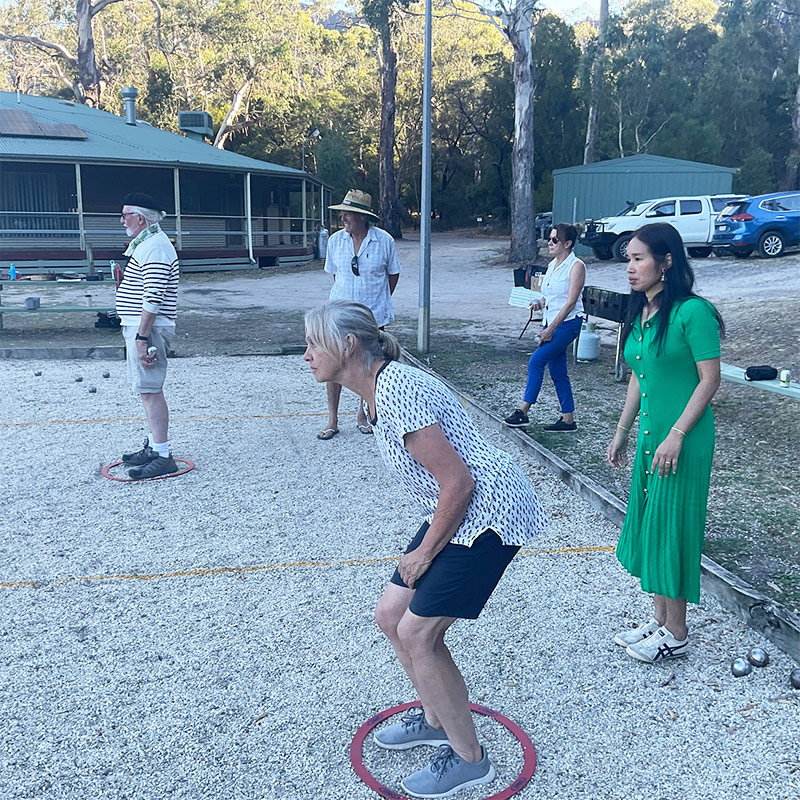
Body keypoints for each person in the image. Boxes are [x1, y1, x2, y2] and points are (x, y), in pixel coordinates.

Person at [303, 300, 548, 799]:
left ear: (347, 345)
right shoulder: (377, 389)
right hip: (459, 506)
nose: (306, 355)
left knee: (418, 635)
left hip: (488, 512)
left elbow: (459, 483)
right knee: (391, 614)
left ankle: (469, 759)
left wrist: (425, 552)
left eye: (312, 344)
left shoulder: (395, 391)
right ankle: (436, 717)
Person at [606, 222, 722, 664]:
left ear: (666, 261)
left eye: (638, 259)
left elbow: (709, 381)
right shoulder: (642, 312)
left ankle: (677, 630)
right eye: (628, 260)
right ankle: (660, 619)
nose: (630, 268)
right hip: (653, 438)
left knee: (672, 527)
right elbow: (640, 375)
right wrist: (622, 431)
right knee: (653, 526)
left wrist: (677, 435)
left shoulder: (694, 313)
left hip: (682, 440)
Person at [317, 189, 401, 440]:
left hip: (373, 315)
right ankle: (332, 419)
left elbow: (393, 275)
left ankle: (363, 414)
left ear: (362, 217)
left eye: (348, 213)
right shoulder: (335, 241)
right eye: (342, 212)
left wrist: (378, 300)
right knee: (333, 362)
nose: (343, 217)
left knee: (369, 365)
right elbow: (335, 275)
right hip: (340, 315)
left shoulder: (384, 241)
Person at [115, 192, 181, 479]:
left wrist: (142, 338)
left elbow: (153, 298)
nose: (122, 220)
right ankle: (156, 447)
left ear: (140, 218)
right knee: (146, 389)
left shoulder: (155, 246)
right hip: (141, 327)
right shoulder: (147, 244)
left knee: (151, 390)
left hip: (148, 329)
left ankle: (163, 455)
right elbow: (146, 289)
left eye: (126, 214)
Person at [503, 223, 586, 432]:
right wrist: (539, 302)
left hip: (568, 324)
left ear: (567, 244)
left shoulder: (576, 266)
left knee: (536, 360)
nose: (550, 243)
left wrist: (550, 331)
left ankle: (523, 411)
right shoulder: (552, 265)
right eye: (549, 239)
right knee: (558, 371)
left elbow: (570, 302)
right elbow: (549, 295)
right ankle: (568, 419)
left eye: (555, 240)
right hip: (551, 322)